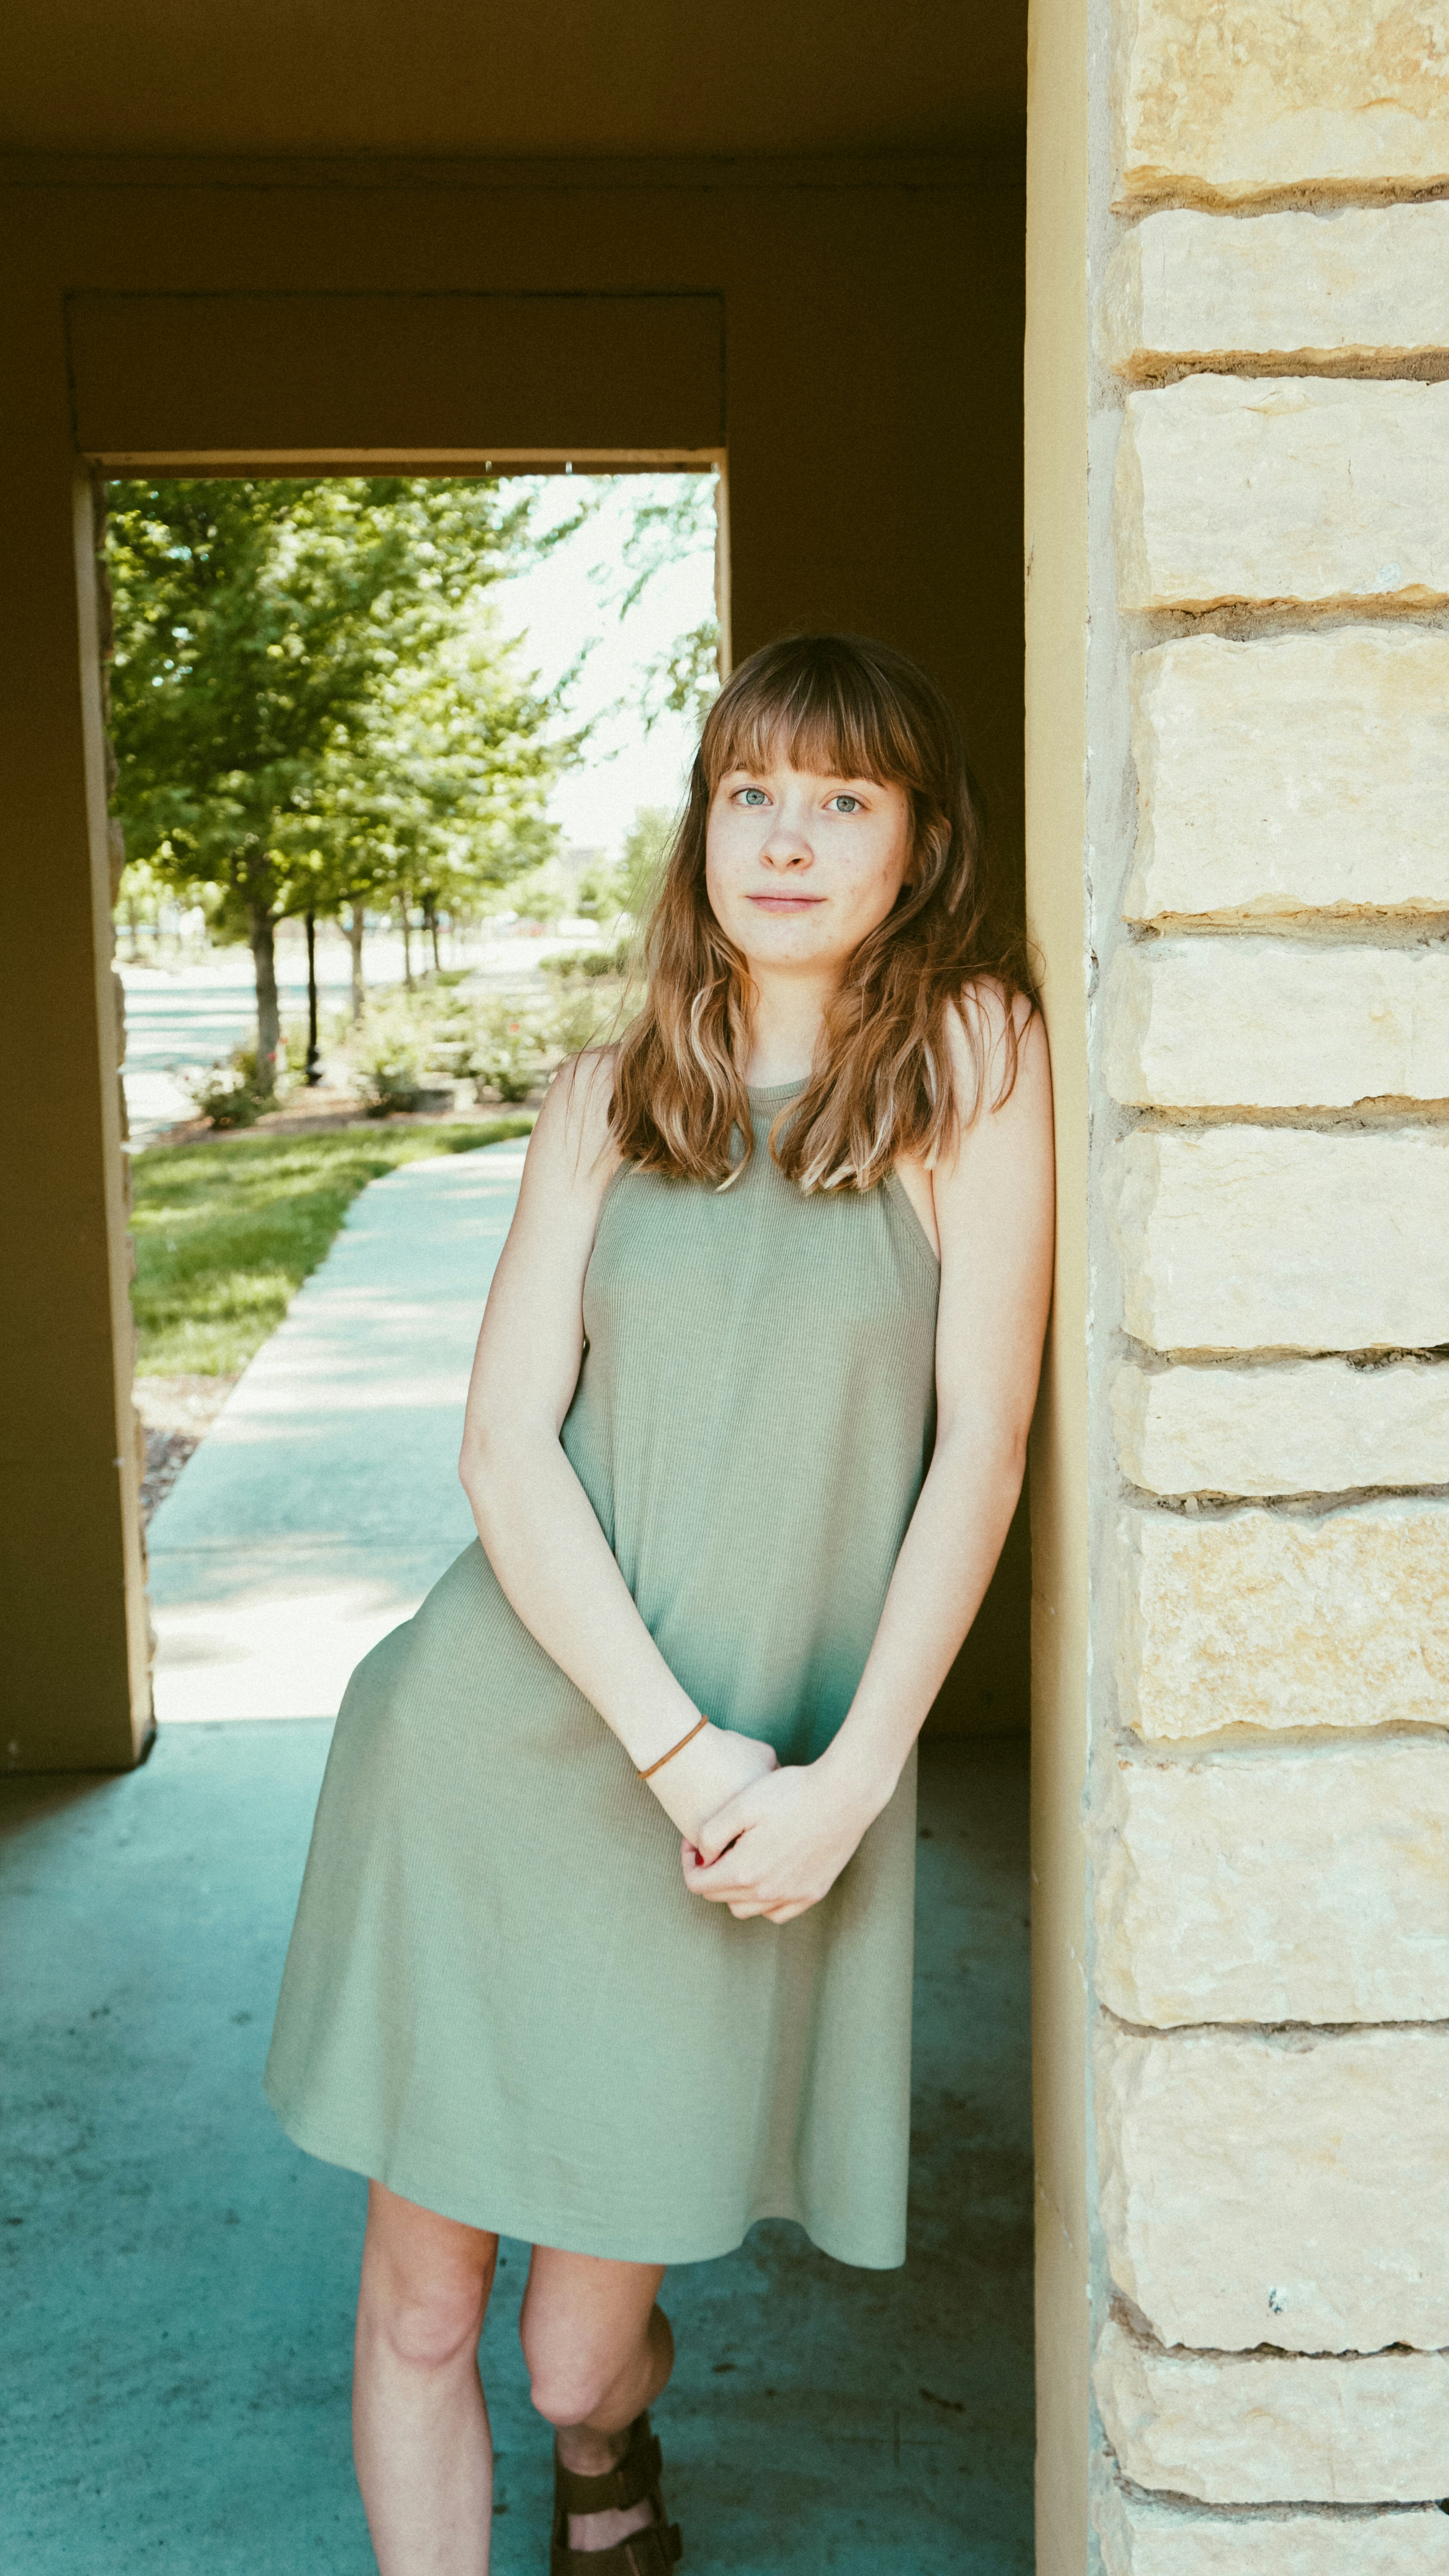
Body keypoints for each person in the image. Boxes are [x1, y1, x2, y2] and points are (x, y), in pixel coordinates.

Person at [265, 631, 1055, 2575]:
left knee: (560, 2357)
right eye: (747, 794)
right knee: (423, 2313)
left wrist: (844, 1779)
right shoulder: (604, 1092)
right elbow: (506, 1456)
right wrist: (683, 1749)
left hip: (751, 1798)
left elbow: (983, 1451)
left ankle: (611, 2451)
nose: (785, 841)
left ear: (916, 843)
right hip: (501, 1756)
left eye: (842, 800)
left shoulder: (975, 1061)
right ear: (701, 825)